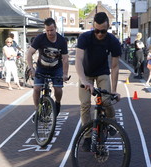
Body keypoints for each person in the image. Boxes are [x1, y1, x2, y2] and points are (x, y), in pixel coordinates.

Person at [75, 12, 121, 151]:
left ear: (108, 28)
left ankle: (111, 121)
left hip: (102, 73)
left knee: (106, 100)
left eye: (103, 31)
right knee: (85, 104)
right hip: (86, 74)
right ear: (92, 27)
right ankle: (88, 137)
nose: (99, 34)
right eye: (96, 31)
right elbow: (78, 60)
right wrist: (84, 81)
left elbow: (115, 66)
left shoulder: (113, 41)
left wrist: (114, 90)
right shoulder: (85, 37)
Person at [26, 17, 69, 117]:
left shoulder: (62, 41)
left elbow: (65, 59)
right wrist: (31, 68)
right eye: (47, 30)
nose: (49, 33)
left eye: (51, 30)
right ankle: (37, 111)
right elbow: (29, 53)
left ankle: (57, 103)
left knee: (58, 89)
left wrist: (65, 74)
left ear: (56, 28)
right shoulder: (40, 38)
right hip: (42, 67)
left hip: (56, 68)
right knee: (36, 88)